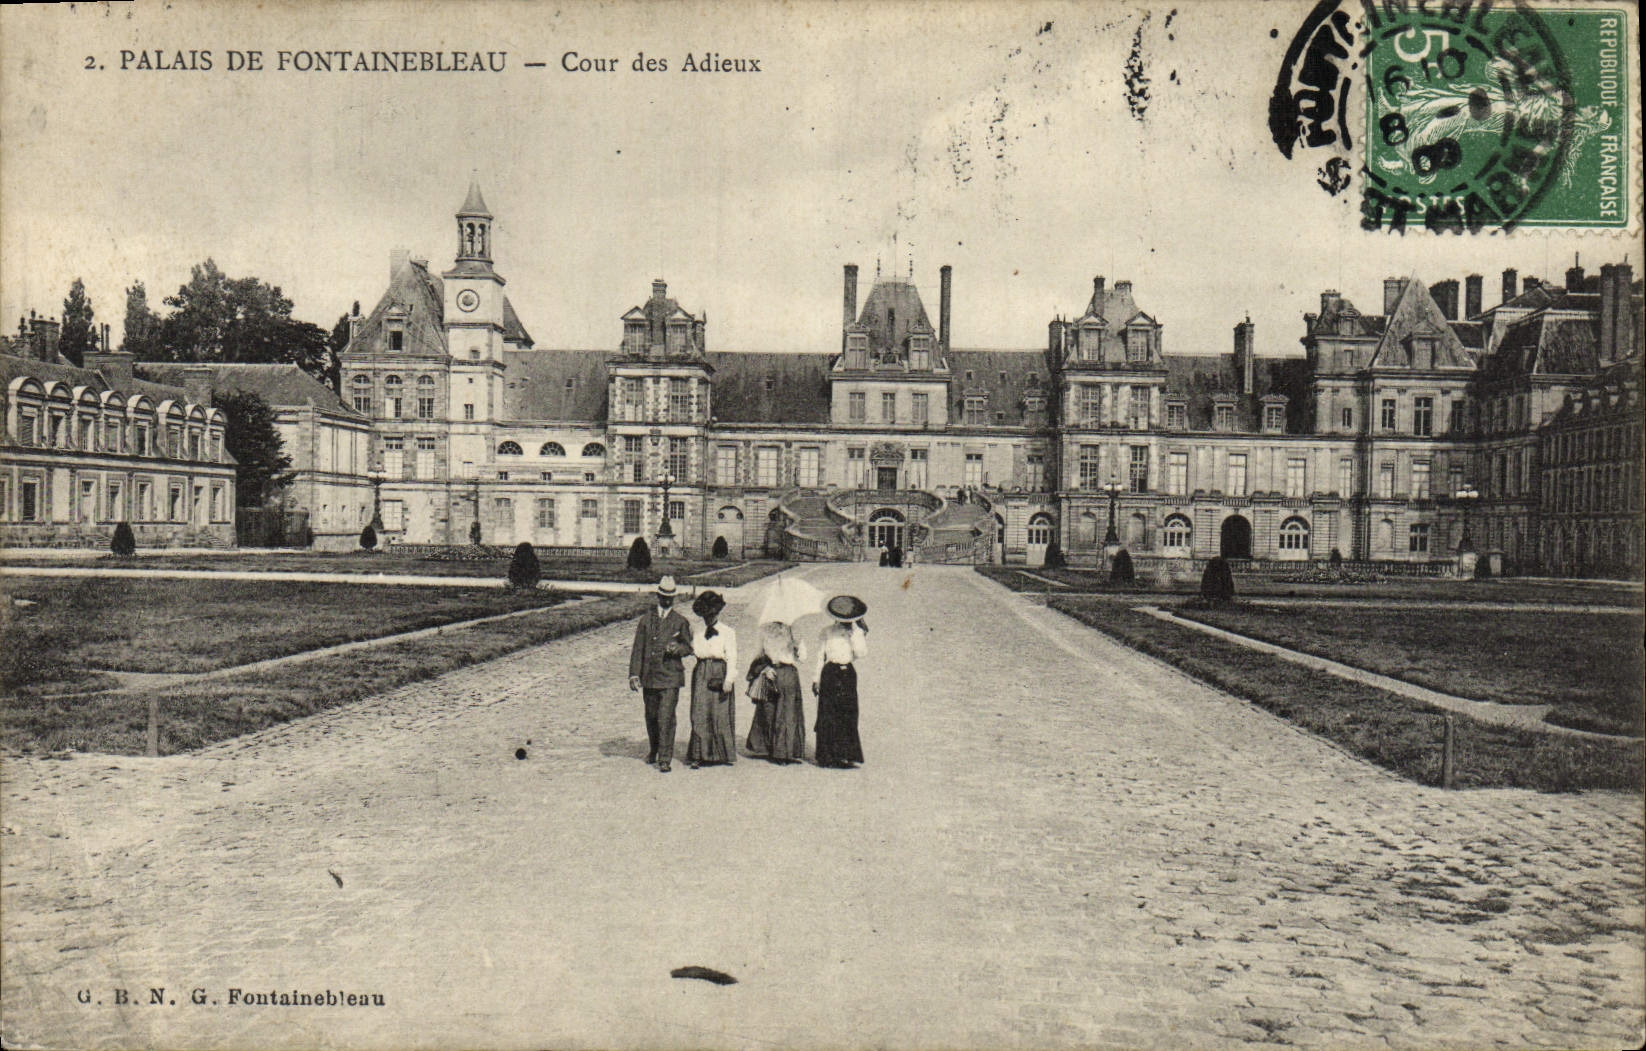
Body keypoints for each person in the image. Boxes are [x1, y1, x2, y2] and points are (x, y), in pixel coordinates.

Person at [628, 575, 693, 773]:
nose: (666, 600)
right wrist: (634, 674)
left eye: (670, 597)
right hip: (650, 676)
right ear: (658, 596)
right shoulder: (646, 621)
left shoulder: (680, 621)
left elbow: (689, 647)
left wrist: (677, 648)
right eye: (663, 596)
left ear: (674, 598)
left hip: (670, 676)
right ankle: (654, 749)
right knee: (651, 716)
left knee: (666, 717)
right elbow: (638, 648)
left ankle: (665, 758)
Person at [813, 595, 869, 768]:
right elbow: (820, 657)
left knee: (847, 713)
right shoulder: (827, 632)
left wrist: (854, 636)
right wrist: (816, 679)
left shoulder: (857, 632)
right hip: (830, 672)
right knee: (828, 714)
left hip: (847, 673)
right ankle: (827, 755)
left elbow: (861, 653)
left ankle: (845, 754)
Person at [686, 590, 738, 769]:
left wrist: (729, 679)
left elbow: (732, 656)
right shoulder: (697, 631)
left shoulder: (728, 632)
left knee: (719, 713)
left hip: (720, 670)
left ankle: (721, 754)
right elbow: (693, 650)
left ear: (717, 612)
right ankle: (698, 754)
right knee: (699, 711)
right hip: (701, 670)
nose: (709, 618)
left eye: (712, 613)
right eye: (706, 614)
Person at [744, 621, 807, 764]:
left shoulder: (794, 631)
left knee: (787, 713)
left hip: (788, 673)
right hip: (770, 672)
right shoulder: (764, 631)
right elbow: (757, 655)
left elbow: (803, 658)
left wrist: (797, 647)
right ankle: (767, 748)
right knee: (768, 711)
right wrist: (765, 669)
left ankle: (784, 752)